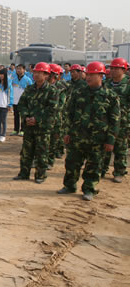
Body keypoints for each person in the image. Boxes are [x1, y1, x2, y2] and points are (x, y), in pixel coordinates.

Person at [58, 61, 120, 201]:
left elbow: (115, 120)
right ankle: (69, 185)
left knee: (94, 165)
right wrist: (67, 132)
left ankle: (89, 189)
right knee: (72, 163)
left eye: (93, 74)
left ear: (101, 76)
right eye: (88, 74)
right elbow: (68, 113)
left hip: (98, 139)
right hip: (77, 136)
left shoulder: (110, 96)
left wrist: (111, 140)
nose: (89, 77)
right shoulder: (78, 93)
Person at [14, 62, 59, 183]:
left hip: (43, 127)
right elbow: (21, 104)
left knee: (42, 152)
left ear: (46, 75)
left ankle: (40, 175)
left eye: (40, 73)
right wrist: (27, 116)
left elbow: (52, 109)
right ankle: (24, 173)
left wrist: (37, 119)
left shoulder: (52, 91)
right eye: (35, 72)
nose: (36, 75)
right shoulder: (29, 89)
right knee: (26, 151)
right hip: (29, 126)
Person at [101, 57, 129, 182]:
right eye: (111, 68)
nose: (112, 70)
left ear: (124, 70)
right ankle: (102, 168)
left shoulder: (128, 85)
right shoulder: (106, 84)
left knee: (120, 147)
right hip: (106, 122)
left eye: (116, 68)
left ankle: (119, 171)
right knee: (104, 146)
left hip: (123, 122)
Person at [11, 64, 32, 136]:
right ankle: (15, 130)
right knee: (16, 116)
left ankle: (22, 130)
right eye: (17, 69)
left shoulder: (28, 80)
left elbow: (31, 90)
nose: (18, 70)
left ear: (24, 70)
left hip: (24, 102)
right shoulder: (13, 79)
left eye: (20, 69)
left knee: (23, 116)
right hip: (15, 101)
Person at [0, 68, 14, 142]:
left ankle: (3, 135)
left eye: (2, 74)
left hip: (4, 105)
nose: (1, 76)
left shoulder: (8, 85)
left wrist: (10, 104)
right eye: (0, 74)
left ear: (5, 75)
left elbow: (10, 95)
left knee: (3, 121)